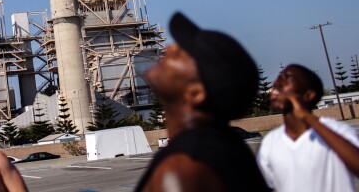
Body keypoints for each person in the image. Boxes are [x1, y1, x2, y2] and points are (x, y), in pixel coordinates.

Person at [135, 12, 269, 192]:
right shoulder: (220, 150)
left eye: (183, 52)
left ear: (196, 93)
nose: (170, 48)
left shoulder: (182, 170)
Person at [257, 64, 359, 192]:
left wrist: (307, 117)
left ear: (309, 95)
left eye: (287, 78)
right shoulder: (270, 141)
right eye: (278, 78)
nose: (276, 83)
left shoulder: (337, 131)